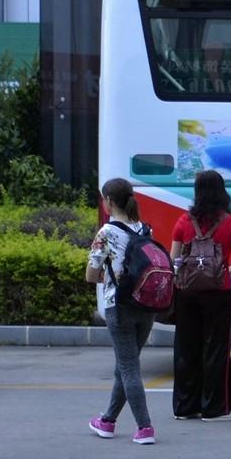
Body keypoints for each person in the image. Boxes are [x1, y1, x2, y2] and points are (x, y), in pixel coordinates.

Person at [169, 170, 231, 421]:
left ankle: (185, 407)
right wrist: (227, 269)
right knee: (215, 348)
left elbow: (174, 259)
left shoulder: (183, 221)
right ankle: (214, 408)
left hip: (186, 293)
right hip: (218, 292)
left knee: (186, 347)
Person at [84, 178, 157, 445]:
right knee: (125, 366)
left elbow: (91, 274)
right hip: (146, 306)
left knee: (128, 368)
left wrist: (109, 276)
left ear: (109, 202)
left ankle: (145, 427)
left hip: (120, 306)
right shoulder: (143, 228)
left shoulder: (106, 232)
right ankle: (108, 421)